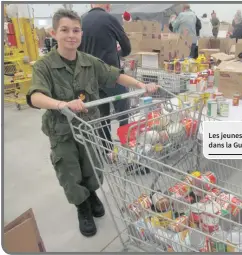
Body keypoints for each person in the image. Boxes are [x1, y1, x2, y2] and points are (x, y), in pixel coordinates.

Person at [26, 9, 158, 237]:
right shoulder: (44, 66)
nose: (71, 35)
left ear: (81, 34)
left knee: (92, 167)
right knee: (70, 172)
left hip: (89, 128)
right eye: (65, 30)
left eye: (76, 30)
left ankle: (93, 194)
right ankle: (82, 207)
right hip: (63, 133)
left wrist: (140, 85)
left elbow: (115, 74)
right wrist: (61, 104)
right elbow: (35, 96)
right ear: (53, 33)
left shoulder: (89, 62)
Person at [78, 4, 131, 160]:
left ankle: (107, 151)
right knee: (123, 112)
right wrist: (118, 53)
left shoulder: (81, 21)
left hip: (90, 78)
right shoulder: (110, 19)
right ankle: (128, 150)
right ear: (108, 6)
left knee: (102, 115)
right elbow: (127, 48)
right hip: (111, 75)